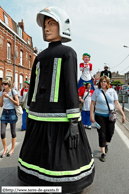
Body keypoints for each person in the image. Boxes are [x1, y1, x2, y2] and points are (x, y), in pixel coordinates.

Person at [18, 6, 95, 194]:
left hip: (56, 118)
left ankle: (35, 178)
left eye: (51, 23)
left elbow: (70, 86)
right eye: (45, 25)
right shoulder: (41, 57)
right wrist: (28, 110)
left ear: (62, 26)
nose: (46, 28)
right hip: (43, 117)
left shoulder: (68, 53)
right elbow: (34, 86)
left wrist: (73, 121)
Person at [90, 76, 125, 162]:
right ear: (99, 83)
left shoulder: (112, 91)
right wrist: (91, 115)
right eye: (102, 81)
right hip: (99, 116)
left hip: (110, 116)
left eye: (105, 81)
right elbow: (92, 104)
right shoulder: (96, 92)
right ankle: (103, 153)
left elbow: (116, 103)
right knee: (102, 134)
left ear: (108, 83)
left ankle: (105, 145)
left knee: (110, 133)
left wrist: (123, 114)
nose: (103, 83)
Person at [0, 78, 19, 158]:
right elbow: (1, 105)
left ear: (9, 84)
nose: (4, 85)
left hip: (12, 113)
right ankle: (5, 149)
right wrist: (2, 97)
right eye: (3, 84)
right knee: (2, 133)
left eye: (5, 84)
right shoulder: (1, 92)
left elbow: (17, 103)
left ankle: (12, 149)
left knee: (13, 132)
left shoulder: (13, 92)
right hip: (4, 113)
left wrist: (9, 97)